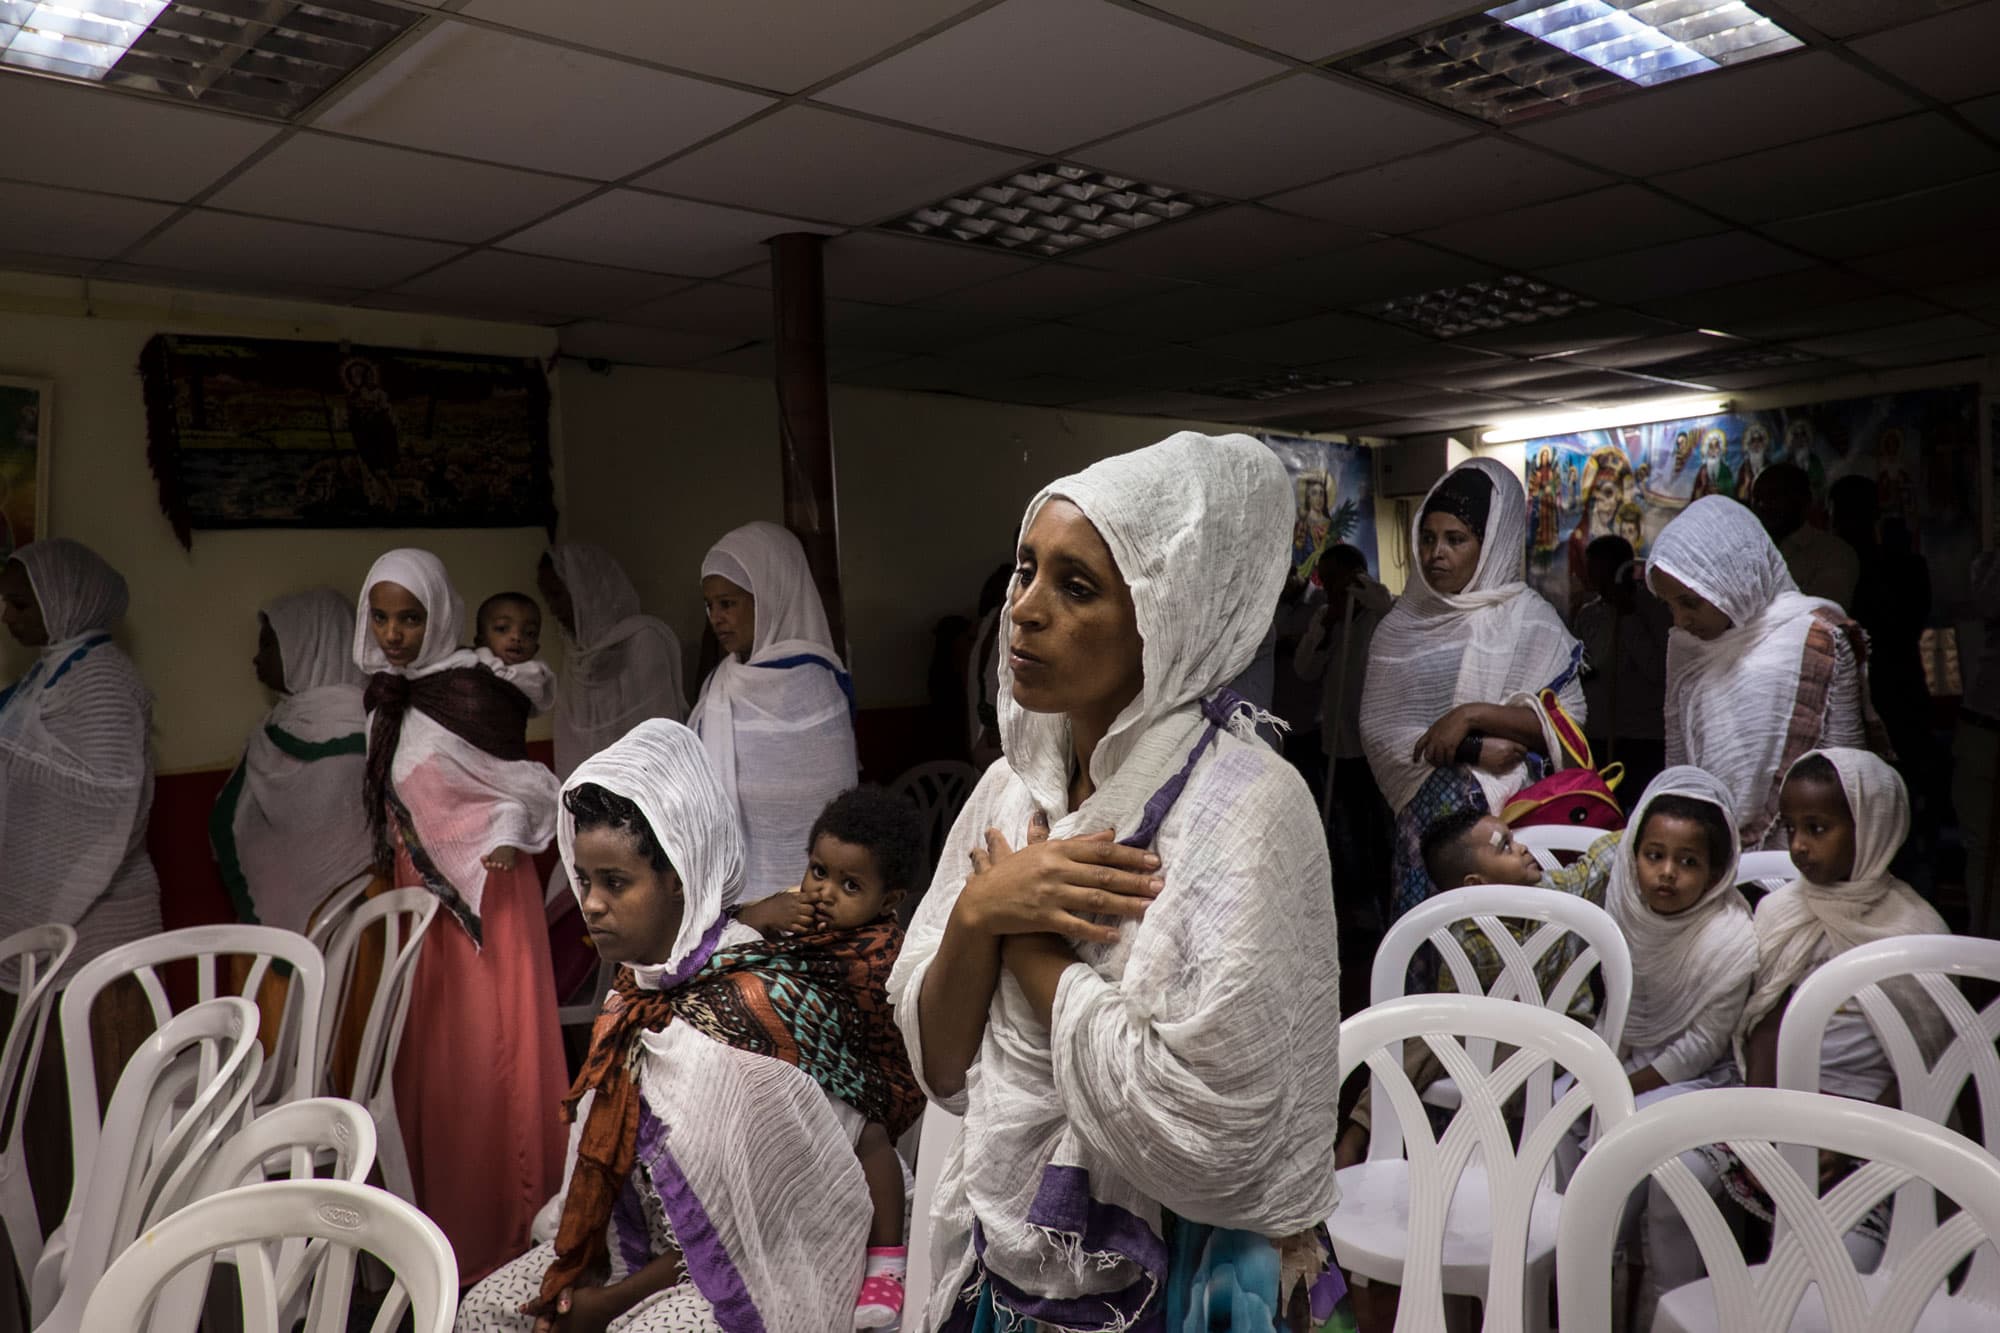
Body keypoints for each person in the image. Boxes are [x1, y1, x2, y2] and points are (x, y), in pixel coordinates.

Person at [889, 431, 1349, 1328]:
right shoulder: (1009, 788)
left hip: (1190, 1274)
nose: (1023, 610)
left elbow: (1212, 1130)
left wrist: (1020, 943)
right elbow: (940, 1063)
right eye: (1026, 569)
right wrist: (978, 911)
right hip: (1012, 1261)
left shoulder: (1248, 805)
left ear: (1169, 615)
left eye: (1077, 586)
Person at [456, 720, 918, 1331]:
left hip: (761, 1264)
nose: (591, 903)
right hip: (640, 1245)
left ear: (681, 878)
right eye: (586, 880)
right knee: (483, 1310)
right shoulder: (637, 991)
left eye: (615, 882)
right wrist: (585, 1279)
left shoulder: (760, 1010)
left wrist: (605, 1306)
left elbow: (759, 1232)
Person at [1642, 749, 1949, 1311]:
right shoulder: (1782, 911)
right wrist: (1767, 1119)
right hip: (1772, 1106)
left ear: (1874, 827)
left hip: (1866, 1129)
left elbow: (1926, 1062)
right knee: (1674, 1182)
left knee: (1840, 1258)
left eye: (1819, 828)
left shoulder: (1917, 932)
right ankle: (1678, 1311)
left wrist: (1854, 1139)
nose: (1800, 845)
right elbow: (1760, 1022)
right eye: (1791, 828)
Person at [356, 548, 568, 1286]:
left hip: (491, 896)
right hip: (426, 902)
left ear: (439, 614)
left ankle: (508, 1234)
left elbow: (526, 785)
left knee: (495, 1057)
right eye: (381, 615)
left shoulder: (474, 692)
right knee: (441, 1062)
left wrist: (501, 829)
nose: (394, 632)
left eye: (410, 616)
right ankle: (441, 1234)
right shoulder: (387, 700)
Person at [0, 539, 161, 1234]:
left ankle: (102, 1248)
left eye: (20, 597)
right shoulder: (50, 673)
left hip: (101, 927)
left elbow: (107, 799)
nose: (7, 612)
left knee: (93, 1105)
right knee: (50, 1110)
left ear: (66, 597)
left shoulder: (103, 678)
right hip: (59, 929)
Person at [1362, 459, 1586, 924]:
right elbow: (1381, 730)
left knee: (1507, 948)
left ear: (1491, 545)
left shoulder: (1530, 619)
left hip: (1515, 827)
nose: (1436, 554)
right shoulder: (1399, 628)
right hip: (1428, 829)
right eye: (1427, 538)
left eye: (1455, 539)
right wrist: (1474, 747)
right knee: (1431, 945)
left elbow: (1568, 724)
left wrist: (1473, 714)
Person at [735, 787, 925, 1328]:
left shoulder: (880, 950)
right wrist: (756, 915)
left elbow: (822, 1000)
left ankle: (887, 1261)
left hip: (877, 1078)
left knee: (868, 1136)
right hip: (820, 1072)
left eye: (850, 885)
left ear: (888, 900)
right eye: (818, 871)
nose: (823, 893)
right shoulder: (804, 923)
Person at [1646, 496, 1878, 849]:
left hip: (1805, 858)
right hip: (1710, 855)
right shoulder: (1686, 646)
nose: (1680, 620)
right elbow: (1680, 767)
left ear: (1733, 581)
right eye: (1669, 605)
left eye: (1690, 603)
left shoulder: (1817, 638)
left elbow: (1848, 771)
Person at [691, 521, 857, 904]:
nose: (716, 617)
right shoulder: (720, 683)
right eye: (710, 605)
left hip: (814, 896)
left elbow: (834, 803)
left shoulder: (815, 684)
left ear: (769, 597)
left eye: (728, 603)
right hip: (737, 900)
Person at [210, 587, 371, 935]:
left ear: (310, 646)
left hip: (353, 935)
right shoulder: (279, 723)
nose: (256, 658)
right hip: (274, 935)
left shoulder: (358, 735)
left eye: (268, 645)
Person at [1294, 545, 1394, 925]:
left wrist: (1365, 596)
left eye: (1336, 577)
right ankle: (1356, 906)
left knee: (1380, 830)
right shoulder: (1325, 616)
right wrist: (1328, 625)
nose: (1328, 586)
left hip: (1374, 746)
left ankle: (1387, 904)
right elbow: (1304, 669)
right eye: (1325, 579)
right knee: (1346, 828)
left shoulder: (1380, 611)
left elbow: (1389, 608)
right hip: (1337, 743)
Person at [538, 545, 687, 781]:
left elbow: (660, 730)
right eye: (547, 599)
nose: (553, 609)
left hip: (645, 787)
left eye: (557, 595)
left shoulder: (642, 639)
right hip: (590, 794)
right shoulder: (577, 653)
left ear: (584, 590)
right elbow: (574, 743)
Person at [1571, 535, 1670, 797]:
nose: (1593, 576)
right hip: (1598, 733)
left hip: (1642, 737)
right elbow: (1581, 666)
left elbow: (1659, 670)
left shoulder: (1653, 608)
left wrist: (1628, 616)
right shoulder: (1588, 615)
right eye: (1591, 568)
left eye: (1600, 569)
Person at [1955, 551, 2000, 937]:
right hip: (1985, 724)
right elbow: (1984, 595)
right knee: (1982, 851)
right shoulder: (1990, 567)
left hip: (1985, 722)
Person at [1752, 462, 1857, 610]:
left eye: (1773, 496)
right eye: (1757, 499)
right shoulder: (1747, 553)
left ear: (1804, 500)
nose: (1763, 505)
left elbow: (1819, 615)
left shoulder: (1834, 553)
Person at [473, 590, 556, 715]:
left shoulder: (535, 674)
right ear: (481, 640)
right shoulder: (467, 659)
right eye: (502, 628)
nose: (517, 637)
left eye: (529, 633)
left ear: (535, 649)